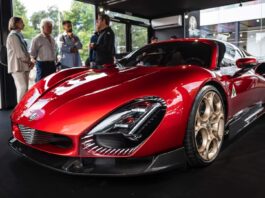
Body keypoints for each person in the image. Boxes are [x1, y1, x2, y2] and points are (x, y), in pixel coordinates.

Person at [6, 17, 34, 103]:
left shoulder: (19, 35)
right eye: (21, 22)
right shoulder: (13, 36)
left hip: (23, 66)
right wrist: (29, 61)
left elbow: (24, 51)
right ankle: (19, 111)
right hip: (17, 66)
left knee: (25, 89)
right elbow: (20, 54)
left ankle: (22, 110)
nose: (24, 24)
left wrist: (30, 61)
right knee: (22, 87)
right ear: (16, 24)